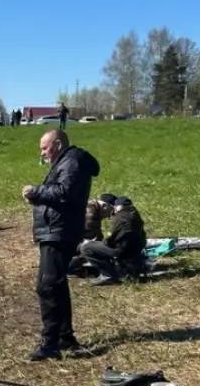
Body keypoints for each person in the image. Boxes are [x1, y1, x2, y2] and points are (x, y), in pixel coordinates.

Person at [22, 129, 100, 361]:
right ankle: (65, 337)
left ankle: (50, 343)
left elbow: (64, 192)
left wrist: (34, 192)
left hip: (60, 231)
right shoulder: (67, 161)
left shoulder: (72, 161)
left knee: (47, 286)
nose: (43, 153)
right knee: (55, 284)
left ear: (57, 144)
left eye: (45, 148)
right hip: (56, 230)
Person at [78, 195, 147, 285]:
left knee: (86, 248)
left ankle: (108, 275)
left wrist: (101, 244)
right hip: (134, 251)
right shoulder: (135, 215)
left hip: (122, 251)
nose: (114, 209)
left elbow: (109, 241)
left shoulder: (121, 217)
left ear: (119, 206)